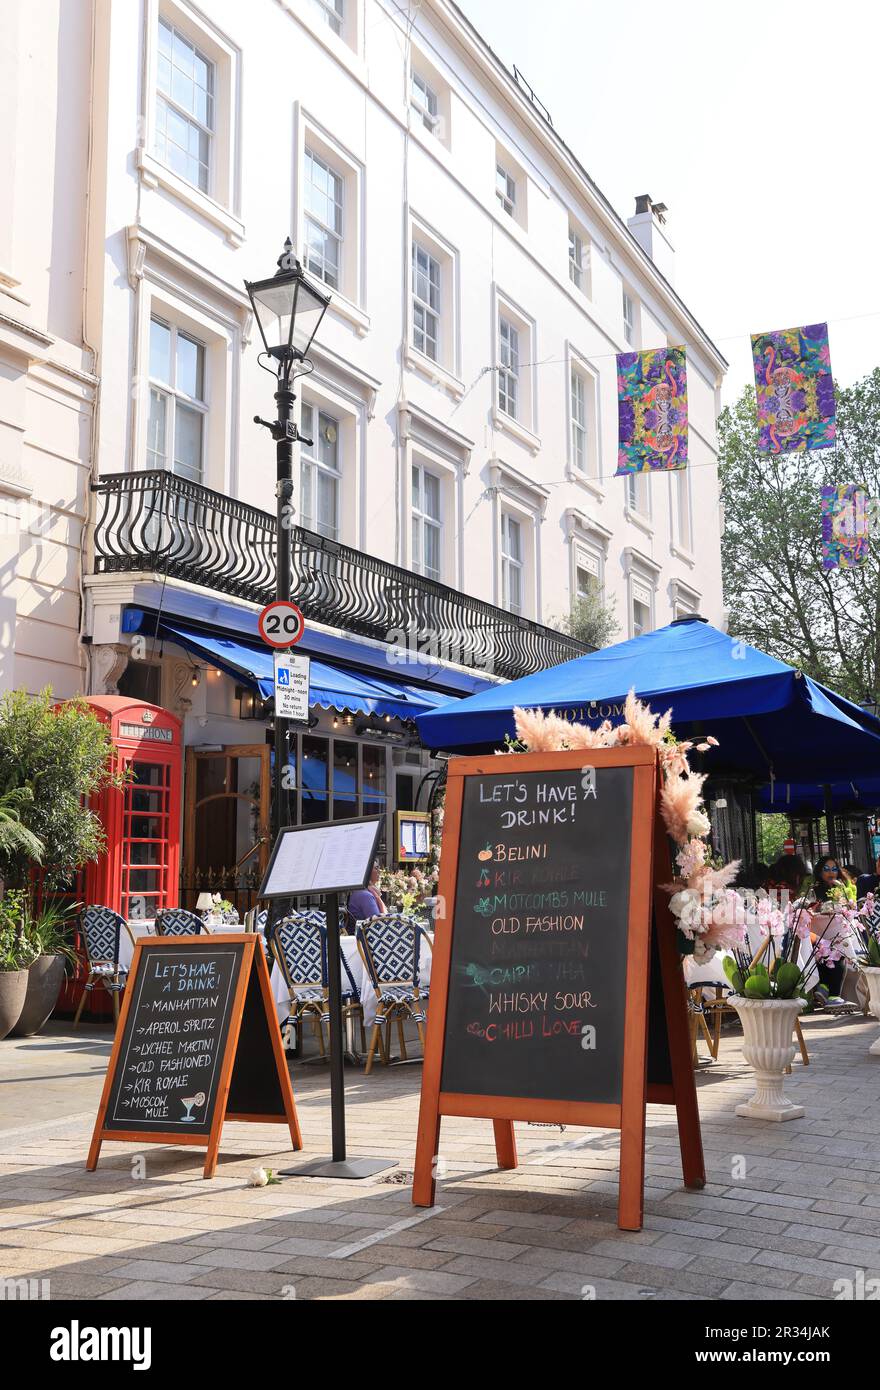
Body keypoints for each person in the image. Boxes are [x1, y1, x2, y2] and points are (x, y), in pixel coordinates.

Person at [808, 856, 849, 1007]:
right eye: (826, 869)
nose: (831, 872)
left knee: (837, 953)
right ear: (819, 871)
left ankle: (825, 988)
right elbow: (809, 907)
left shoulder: (843, 887)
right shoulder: (814, 889)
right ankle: (832, 994)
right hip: (819, 929)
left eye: (834, 869)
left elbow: (849, 906)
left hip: (838, 927)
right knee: (827, 954)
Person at [346, 859, 387, 932]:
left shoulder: (366, 891)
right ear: (367, 872)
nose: (379, 871)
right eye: (376, 868)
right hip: (364, 939)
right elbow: (377, 923)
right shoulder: (365, 895)